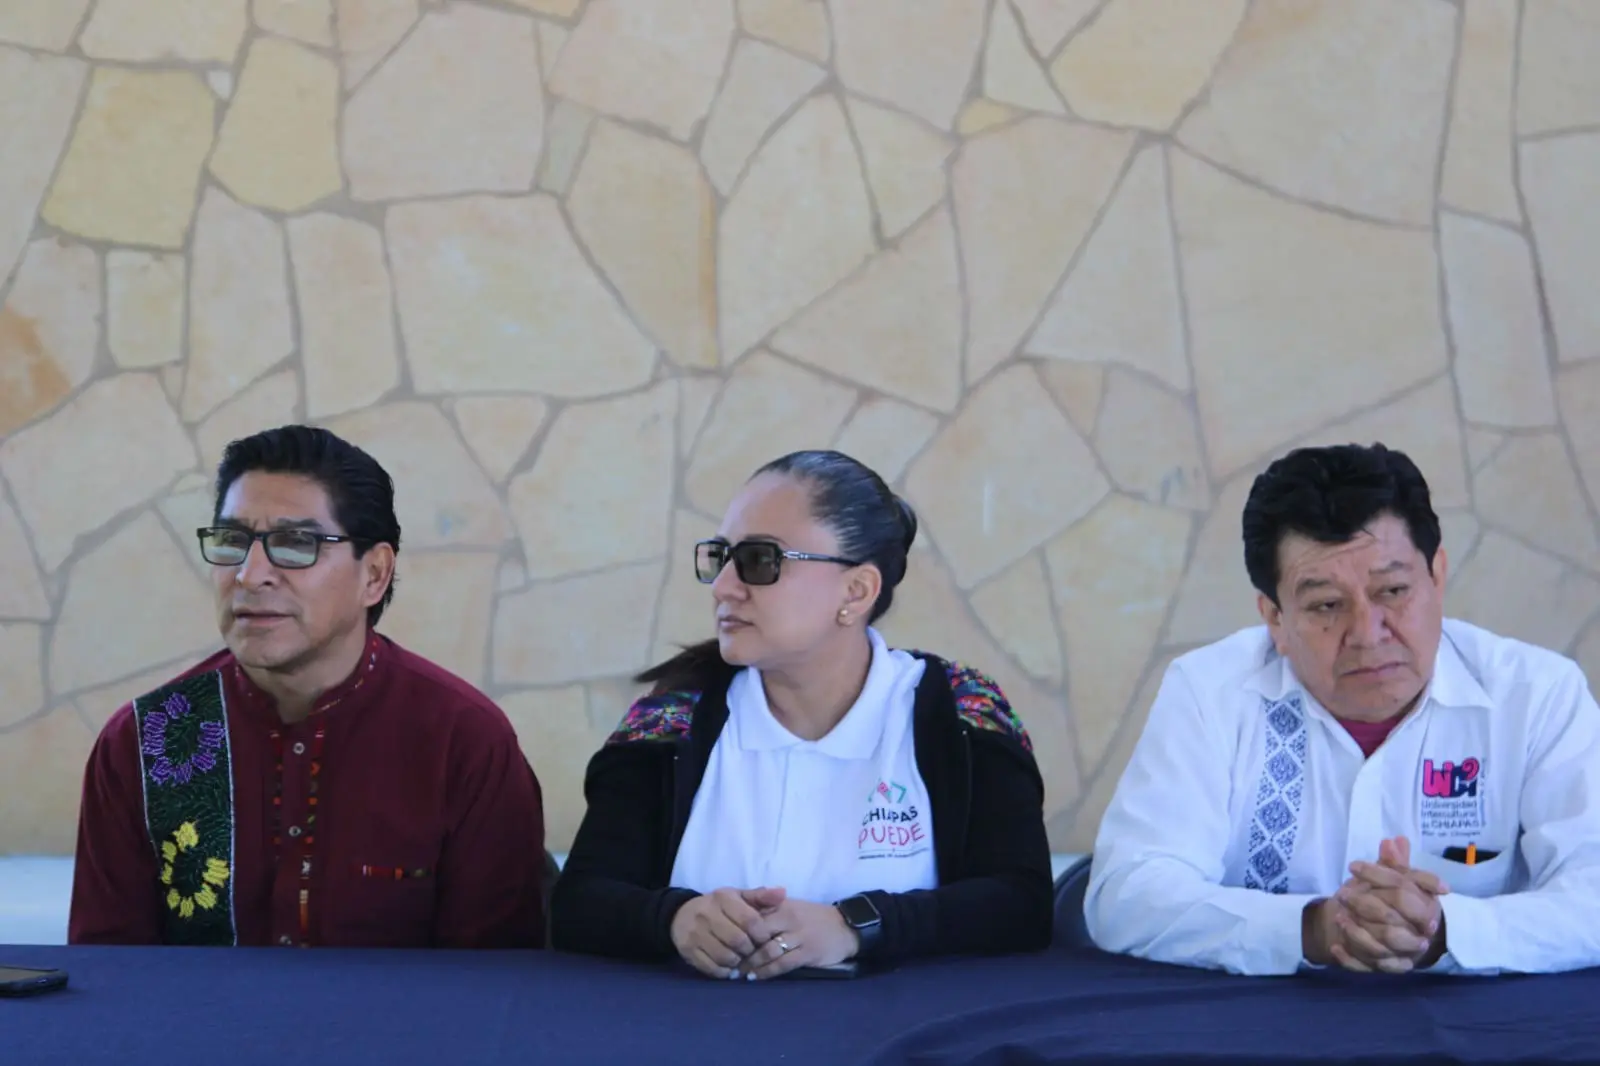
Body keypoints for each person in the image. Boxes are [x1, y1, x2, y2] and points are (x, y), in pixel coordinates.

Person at [1084, 442, 1600, 976]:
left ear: (1438, 577)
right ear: (1276, 619)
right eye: (1327, 605)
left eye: (1394, 590)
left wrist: (1442, 930)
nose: (1368, 635)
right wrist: (1313, 928)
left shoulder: (1537, 695)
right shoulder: (1208, 693)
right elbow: (1125, 894)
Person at [549, 450, 1052, 978]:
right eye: (720, 557)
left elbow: (1022, 904)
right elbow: (578, 904)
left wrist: (855, 926)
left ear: (856, 591)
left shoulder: (959, 712)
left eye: (761, 560)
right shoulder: (671, 718)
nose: (723, 586)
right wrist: (674, 918)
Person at [69, 425, 547, 949]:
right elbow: (109, 978)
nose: (250, 575)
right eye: (232, 542)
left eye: (295, 544)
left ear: (375, 575)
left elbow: (499, 991)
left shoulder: (462, 742)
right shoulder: (145, 741)